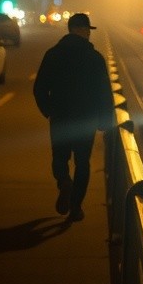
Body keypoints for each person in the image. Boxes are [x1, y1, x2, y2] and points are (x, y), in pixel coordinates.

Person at [33, 12, 115, 222]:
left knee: (59, 157)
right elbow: (104, 92)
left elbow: (39, 87)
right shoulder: (95, 58)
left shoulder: (53, 54)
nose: (89, 34)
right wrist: (105, 120)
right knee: (82, 162)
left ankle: (64, 182)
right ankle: (76, 208)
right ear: (82, 30)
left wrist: (49, 110)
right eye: (88, 30)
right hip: (86, 119)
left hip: (60, 117)